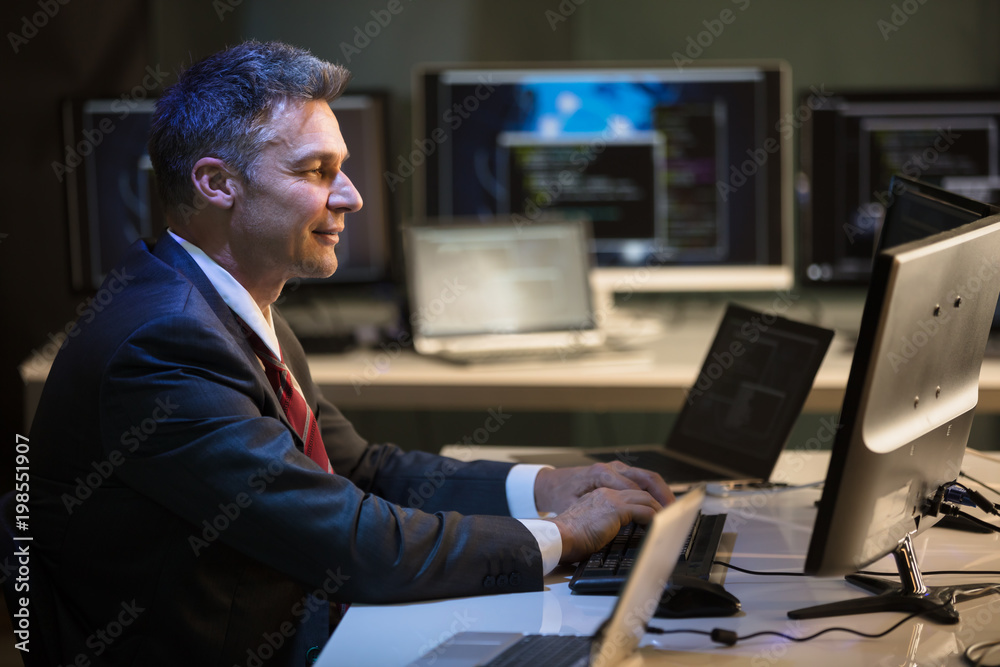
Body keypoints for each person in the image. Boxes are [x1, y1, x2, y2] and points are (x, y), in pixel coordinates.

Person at [28, 41, 672, 666]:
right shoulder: (163, 343)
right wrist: (564, 534)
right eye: (317, 171)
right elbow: (353, 543)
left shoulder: (233, 306)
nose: (351, 196)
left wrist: (548, 486)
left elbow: (360, 469)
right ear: (217, 183)